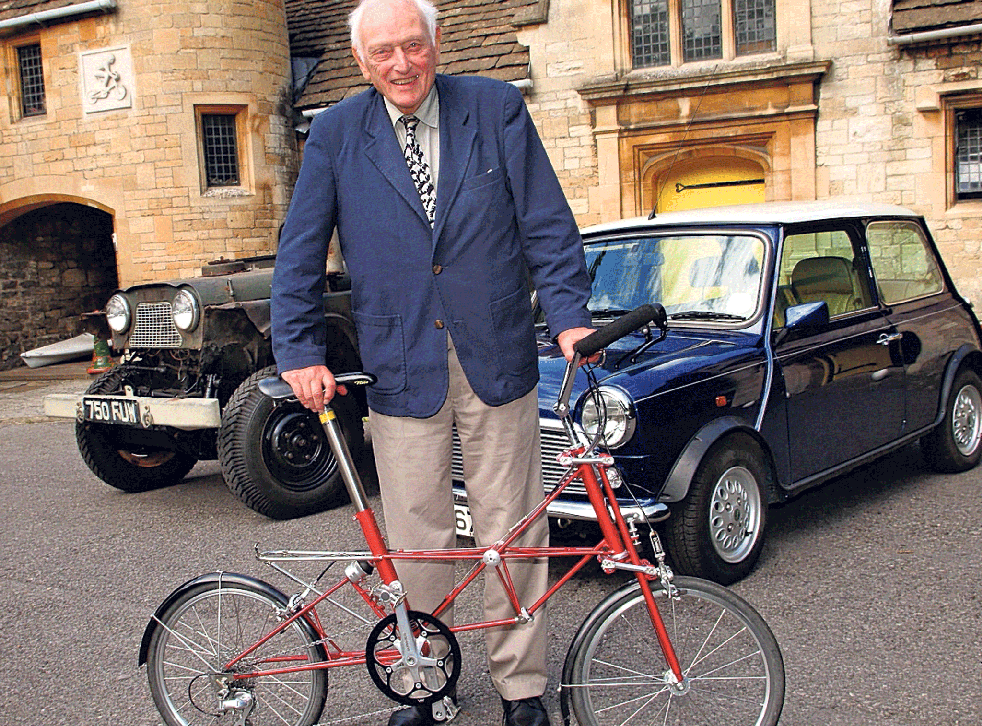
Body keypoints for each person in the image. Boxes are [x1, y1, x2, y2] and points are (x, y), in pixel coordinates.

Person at [270, 1, 593, 724]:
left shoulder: (497, 107)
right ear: (361, 62)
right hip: (397, 359)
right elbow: (300, 248)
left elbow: (547, 221)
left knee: (511, 528)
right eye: (382, 51)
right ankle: (426, 681)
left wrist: (569, 317)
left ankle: (522, 687)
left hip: (497, 353)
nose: (401, 64)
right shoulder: (335, 134)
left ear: (435, 43)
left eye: (412, 46)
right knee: (418, 537)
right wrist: (298, 351)